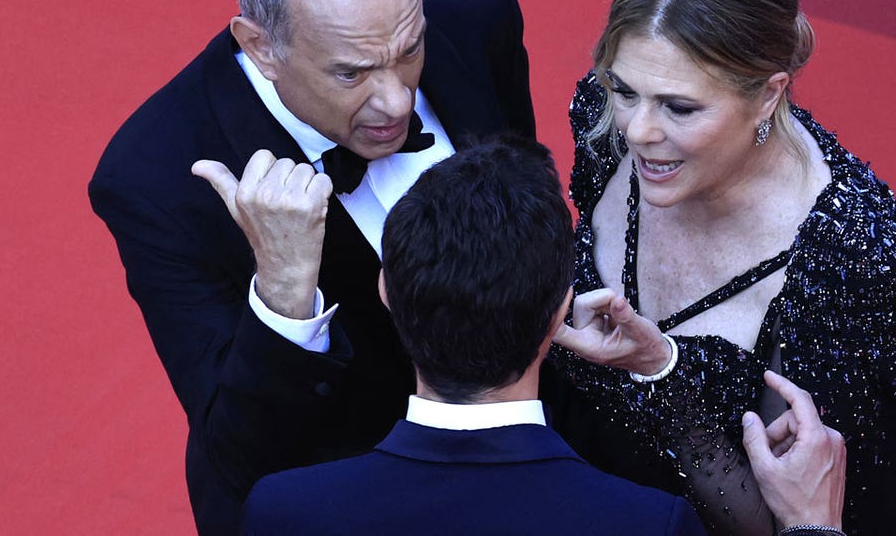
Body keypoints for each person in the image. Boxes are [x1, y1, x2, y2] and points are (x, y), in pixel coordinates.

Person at [88, 0, 533, 534]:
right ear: (260, 46)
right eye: (350, 73)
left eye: (409, 51)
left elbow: (528, 220)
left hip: (525, 452)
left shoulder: (477, 12)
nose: (396, 102)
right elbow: (238, 454)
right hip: (336, 495)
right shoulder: (154, 173)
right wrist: (284, 292)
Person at [551, 0, 896, 535]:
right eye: (624, 89)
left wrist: (662, 372)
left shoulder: (847, 257)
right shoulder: (606, 129)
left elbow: (792, 517)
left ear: (767, 96)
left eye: (680, 108)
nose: (636, 130)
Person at [241, 139, 847, 536]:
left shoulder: (284, 513)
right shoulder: (644, 526)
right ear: (561, 309)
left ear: (386, 291)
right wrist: (814, 527)